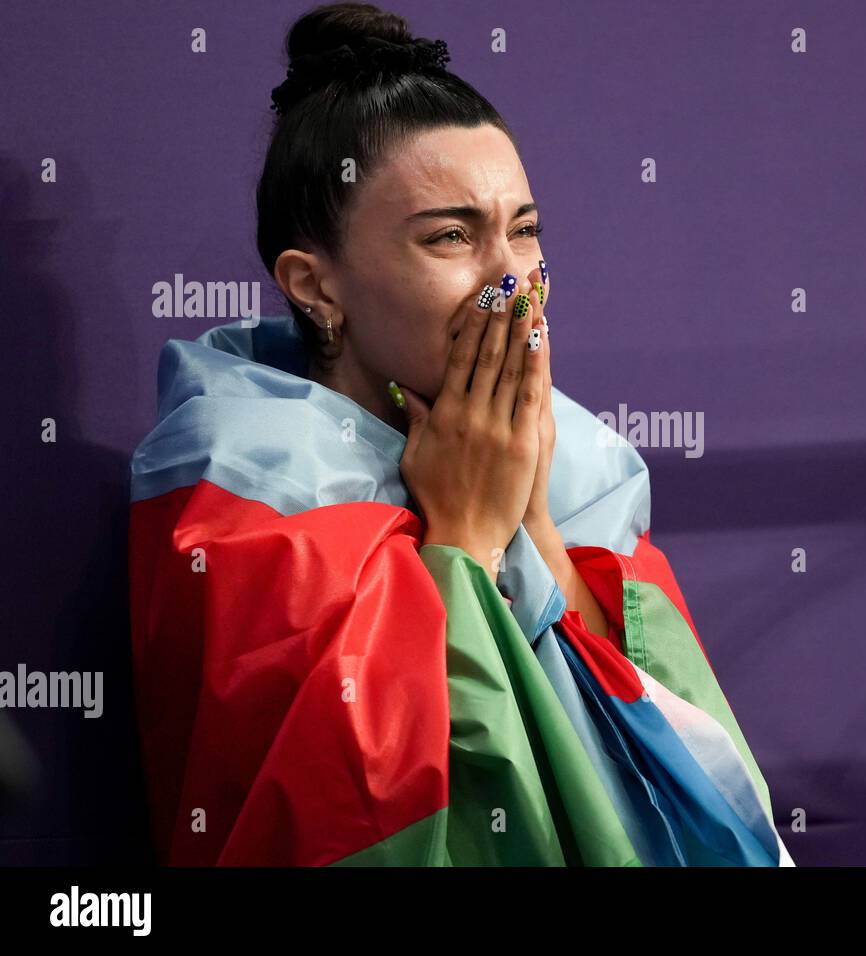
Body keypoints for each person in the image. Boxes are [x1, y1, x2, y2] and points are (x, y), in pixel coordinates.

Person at [128, 1, 792, 867]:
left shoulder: (577, 460)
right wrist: (469, 543)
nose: (510, 281)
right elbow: (353, 824)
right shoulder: (246, 489)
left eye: (524, 231)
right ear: (313, 286)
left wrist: (536, 525)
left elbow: (695, 784)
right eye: (452, 236)